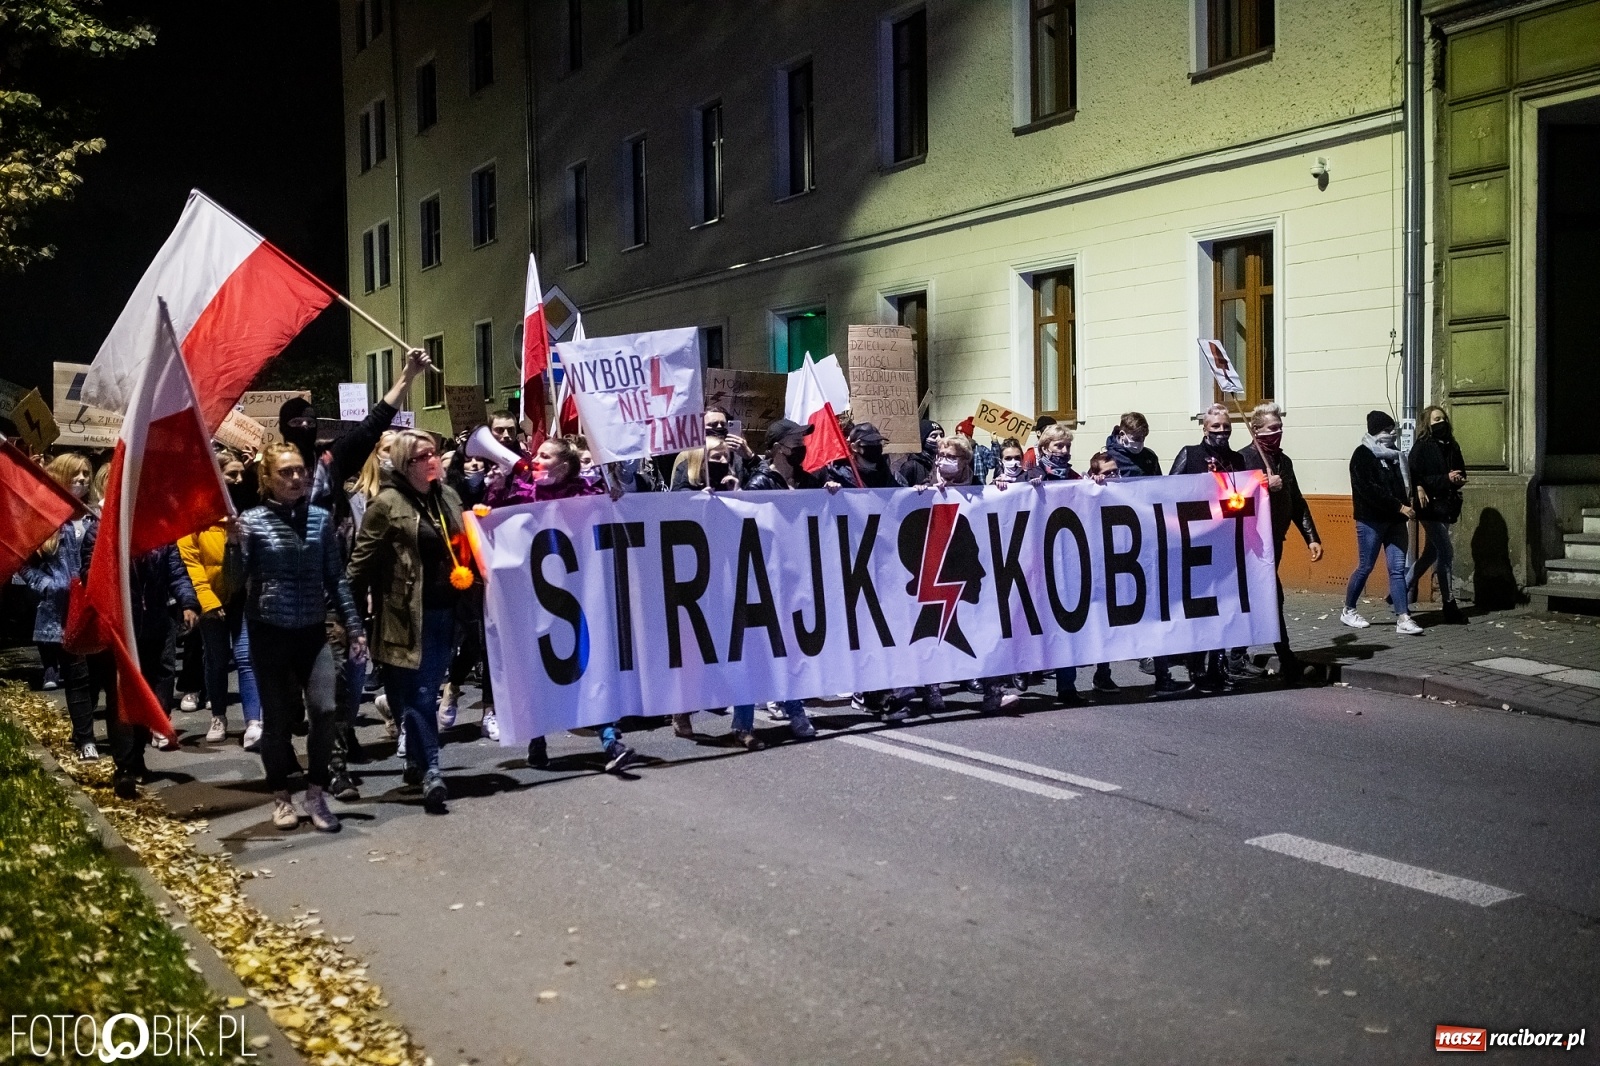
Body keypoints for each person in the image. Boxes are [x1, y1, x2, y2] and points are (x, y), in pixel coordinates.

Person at [225, 442, 368, 832]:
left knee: (324, 710)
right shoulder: (250, 522)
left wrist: (355, 628)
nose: (295, 478)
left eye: (300, 470)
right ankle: (281, 796)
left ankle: (316, 792)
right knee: (277, 721)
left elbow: (336, 579)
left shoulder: (321, 519)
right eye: (285, 472)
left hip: (312, 631)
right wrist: (233, 546)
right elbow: (234, 584)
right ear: (267, 480)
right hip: (269, 632)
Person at [348, 430, 472, 812]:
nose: (433, 460)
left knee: (422, 693)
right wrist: (351, 621)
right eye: (423, 456)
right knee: (410, 696)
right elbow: (358, 566)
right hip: (402, 616)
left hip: (444, 612)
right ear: (405, 463)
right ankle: (427, 764)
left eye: (435, 452)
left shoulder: (448, 497)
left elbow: (465, 546)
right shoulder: (386, 504)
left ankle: (426, 764)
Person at [728, 419, 821, 746]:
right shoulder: (759, 484)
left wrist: (833, 494)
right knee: (755, 651)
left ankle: (795, 708)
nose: (801, 447)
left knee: (791, 649)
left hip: (799, 578)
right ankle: (743, 724)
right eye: (796, 441)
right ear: (778, 447)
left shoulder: (810, 482)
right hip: (763, 579)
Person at [1154, 405, 1245, 695]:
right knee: (1199, 607)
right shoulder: (1190, 454)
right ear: (1204, 428)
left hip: (1225, 543)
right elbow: (1169, 491)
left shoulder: (1237, 459)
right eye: (1215, 426)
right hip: (1193, 543)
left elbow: (1247, 496)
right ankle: (1196, 666)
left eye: (1225, 426)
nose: (1221, 431)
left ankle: (1218, 666)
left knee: (1223, 604)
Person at [178, 454, 266, 748]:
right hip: (211, 603)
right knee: (215, 661)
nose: (239, 480)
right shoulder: (194, 518)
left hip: (241, 599)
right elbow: (191, 565)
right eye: (232, 475)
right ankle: (218, 716)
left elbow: (250, 564)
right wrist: (207, 602)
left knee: (246, 658)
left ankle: (254, 720)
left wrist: (234, 542)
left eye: (242, 474)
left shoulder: (246, 515)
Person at [18, 454, 98, 756]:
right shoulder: (44, 519)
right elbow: (22, 561)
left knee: (96, 676)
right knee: (77, 675)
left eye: (86, 474)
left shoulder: (96, 516)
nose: (81, 480)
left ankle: (88, 730)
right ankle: (85, 738)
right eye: (75, 474)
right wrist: (47, 585)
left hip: (96, 608)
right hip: (63, 610)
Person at [1239, 403, 1323, 684]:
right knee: (1272, 596)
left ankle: (1236, 654)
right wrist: (1261, 486)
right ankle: (1286, 659)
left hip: (1276, 538)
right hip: (1250, 543)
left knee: (1261, 598)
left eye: (1280, 428)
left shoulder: (1284, 462)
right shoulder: (1243, 460)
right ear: (1256, 430)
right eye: (1272, 428)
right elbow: (1229, 501)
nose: (1277, 433)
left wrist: (1311, 537)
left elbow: (1296, 501)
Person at [1343, 411, 1422, 635]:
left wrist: (1414, 492)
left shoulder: (1397, 455)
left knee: (1397, 569)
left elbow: (1406, 481)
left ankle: (1403, 618)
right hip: (1372, 520)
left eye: (1392, 430)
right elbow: (1368, 489)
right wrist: (1399, 506)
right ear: (1376, 431)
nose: (1391, 435)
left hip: (1396, 522)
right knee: (1366, 566)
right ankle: (1349, 609)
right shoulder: (1363, 455)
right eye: (1387, 430)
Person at [1407, 405, 1467, 625]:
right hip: (1429, 508)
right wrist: (1442, 480)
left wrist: (1458, 479)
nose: (1440, 422)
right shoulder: (1422, 446)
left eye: (1442, 418)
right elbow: (1414, 475)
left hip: (1447, 507)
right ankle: (1449, 605)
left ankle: (1398, 591)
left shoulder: (1452, 445)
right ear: (1427, 423)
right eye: (1435, 419)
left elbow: (1460, 470)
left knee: (1429, 556)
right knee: (1446, 553)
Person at [826, 422, 900, 488]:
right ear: (854, 447)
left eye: (878, 442)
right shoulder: (840, 477)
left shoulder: (892, 474)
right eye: (870, 443)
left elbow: (903, 495)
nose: (875, 446)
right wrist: (831, 489)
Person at [1103, 412, 1161, 479]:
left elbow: (1159, 483)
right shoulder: (1107, 458)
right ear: (1122, 434)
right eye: (1136, 438)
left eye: (1143, 437)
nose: (1140, 441)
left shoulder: (1150, 456)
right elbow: (1093, 484)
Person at [894, 419, 943, 487]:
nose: (940, 439)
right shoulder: (910, 466)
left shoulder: (942, 463)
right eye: (934, 436)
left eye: (942, 435)